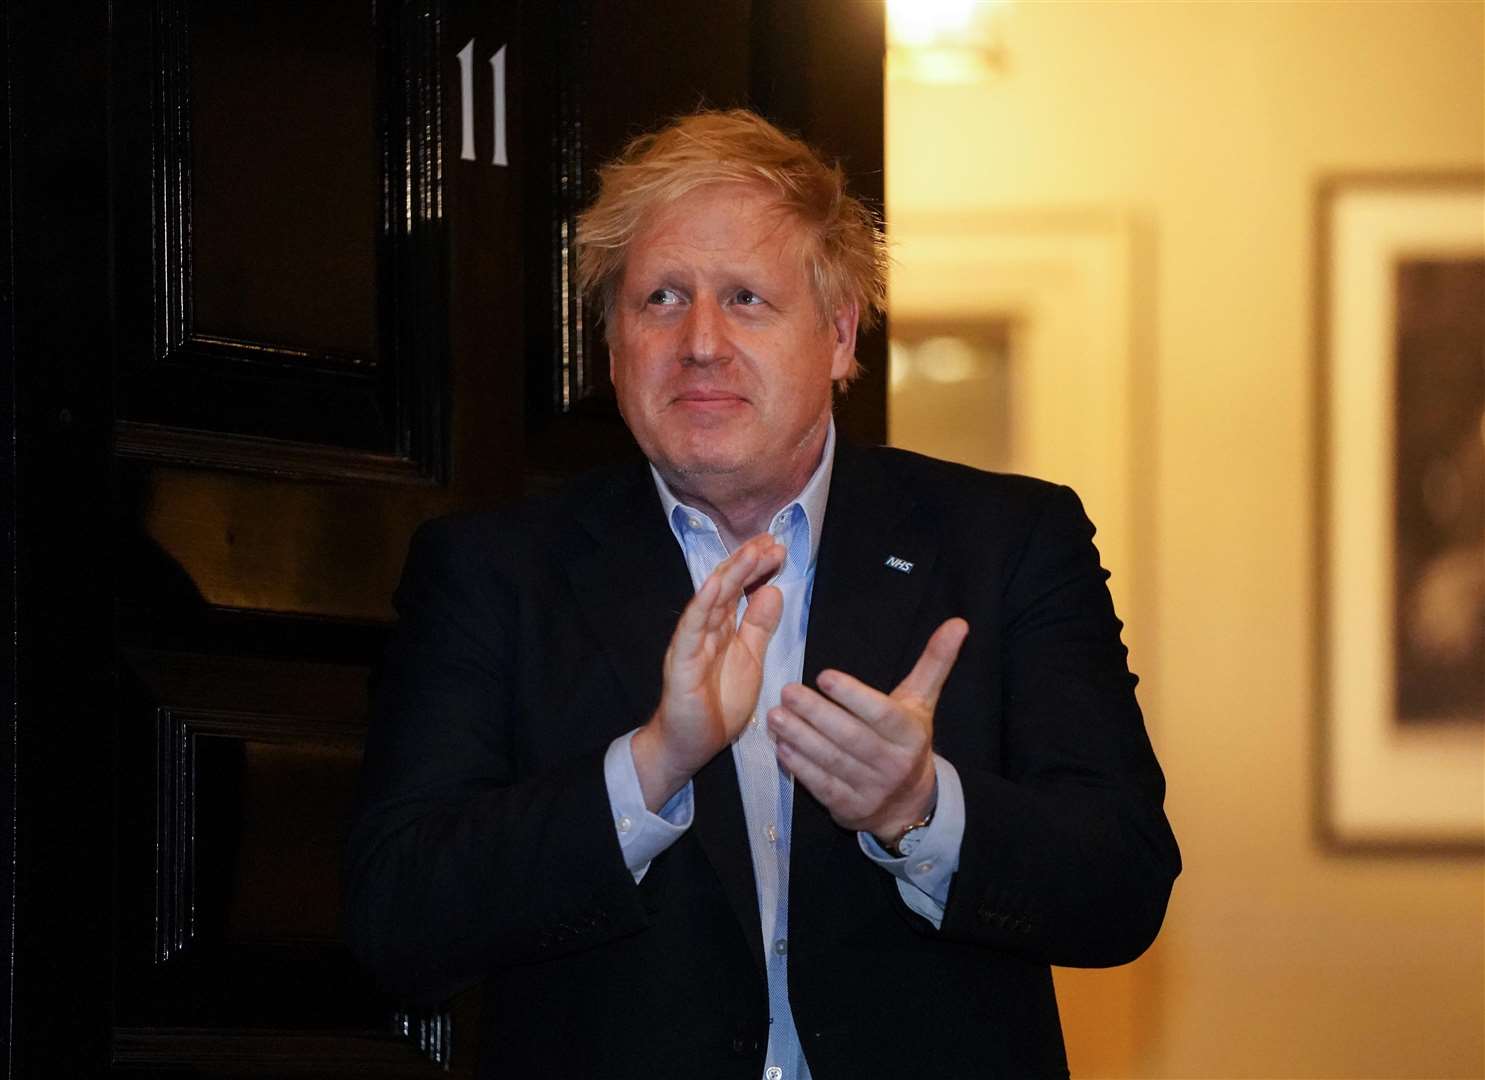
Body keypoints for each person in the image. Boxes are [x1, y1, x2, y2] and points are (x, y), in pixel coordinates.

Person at [344, 109, 1180, 1080]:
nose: (699, 342)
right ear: (611, 346)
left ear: (837, 335)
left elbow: (1123, 882)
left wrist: (919, 808)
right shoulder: (492, 575)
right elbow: (394, 919)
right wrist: (650, 768)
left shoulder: (1009, 545)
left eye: (745, 298)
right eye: (659, 298)